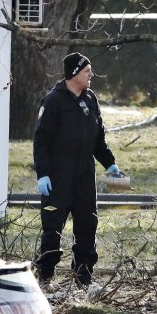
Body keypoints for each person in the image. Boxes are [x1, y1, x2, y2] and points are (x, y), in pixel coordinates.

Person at [33, 52, 123, 287]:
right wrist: (42, 174)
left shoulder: (90, 99)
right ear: (74, 73)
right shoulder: (53, 101)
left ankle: (83, 276)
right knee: (52, 228)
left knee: (87, 225)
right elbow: (41, 142)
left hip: (84, 175)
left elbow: (98, 140)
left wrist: (110, 164)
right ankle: (45, 276)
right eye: (87, 71)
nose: (91, 74)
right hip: (57, 177)